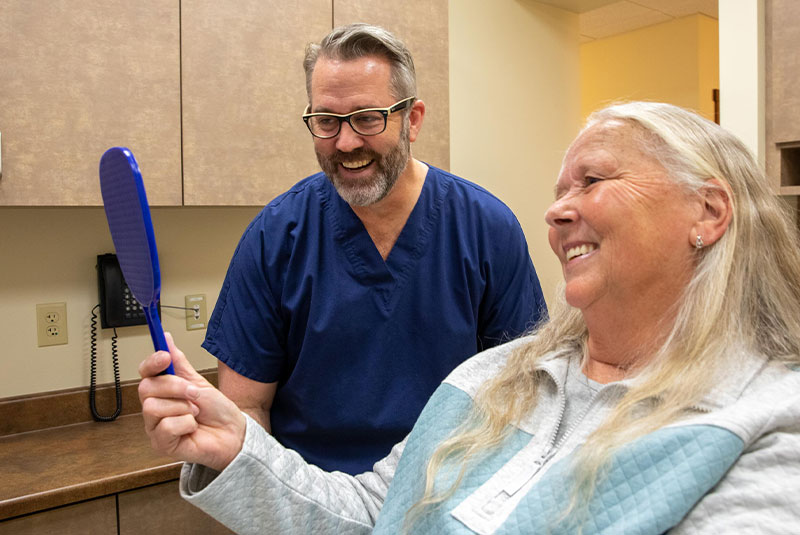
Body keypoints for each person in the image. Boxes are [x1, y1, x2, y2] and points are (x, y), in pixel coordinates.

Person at [139, 101, 800, 534]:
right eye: (558, 190)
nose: (557, 211)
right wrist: (241, 451)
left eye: (591, 181)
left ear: (708, 214)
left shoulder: (766, 419)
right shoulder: (491, 377)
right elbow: (375, 512)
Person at [200, 22, 547, 475]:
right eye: (326, 120)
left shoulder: (486, 228)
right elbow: (246, 409)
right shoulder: (274, 236)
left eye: (367, 118)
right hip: (315, 495)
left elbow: (524, 396)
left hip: (444, 492)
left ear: (413, 119)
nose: (345, 143)